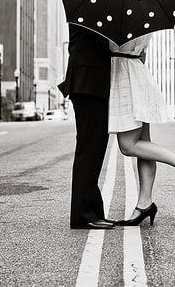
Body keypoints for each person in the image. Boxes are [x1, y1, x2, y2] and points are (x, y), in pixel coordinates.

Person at [109, 33, 175, 226]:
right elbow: (143, 54)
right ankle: (144, 204)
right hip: (137, 74)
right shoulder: (143, 20)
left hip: (124, 77)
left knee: (128, 145)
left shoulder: (118, 19)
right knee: (143, 144)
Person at [59, 25, 116, 230]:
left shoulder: (96, 13)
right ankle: (83, 215)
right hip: (88, 83)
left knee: (95, 147)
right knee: (90, 148)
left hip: (92, 83)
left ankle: (92, 211)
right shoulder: (90, 15)